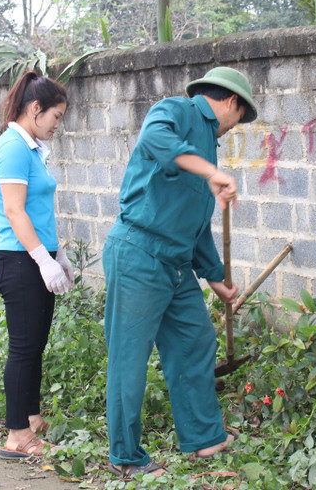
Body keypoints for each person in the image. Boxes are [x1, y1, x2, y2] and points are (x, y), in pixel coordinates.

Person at [103, 66, 258, 478]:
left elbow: (195, 224)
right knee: (129, 358)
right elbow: (154, 140)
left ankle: (205, 439)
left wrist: (216, 280)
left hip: (174, 265)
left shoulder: (208, 144)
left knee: (195, 341)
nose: (235, 126)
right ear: (231, 102)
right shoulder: (175, 111)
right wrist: (211, 173)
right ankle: (125, 455)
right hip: (139, 253)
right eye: (241, 117)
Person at [0, 71, 74, 459]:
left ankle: (31, 419)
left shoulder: (30, 148)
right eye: (56, 116)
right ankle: (17, 435)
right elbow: (13, 210)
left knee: (34, 347)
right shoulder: (13, 148)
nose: (58, 125)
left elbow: (38, 211)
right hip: (20, 261)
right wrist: (42, 258)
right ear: (35, 110)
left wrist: (58, 254)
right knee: (23, 349)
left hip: (35, 258)